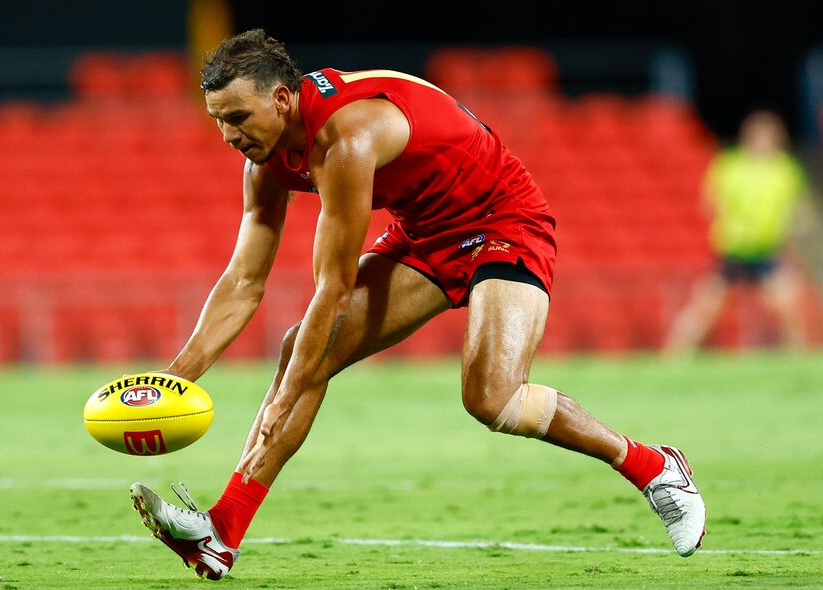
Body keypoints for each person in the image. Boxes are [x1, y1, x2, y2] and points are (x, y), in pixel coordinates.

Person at [128, 29, 706, 580]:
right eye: (218, 122)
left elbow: (330, 289)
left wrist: (284, 399)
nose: (228, 136)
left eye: (237, 118)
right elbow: (243, 281)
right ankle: (222, 534)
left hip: (503, 219)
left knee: (491, 397)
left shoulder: (346, 138)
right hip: (425, 233)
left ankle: (652, 467)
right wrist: (171, 382)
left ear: (281, 99)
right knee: (300, 351)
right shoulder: (265, 160)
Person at [663, 109, 812, 354]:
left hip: (766, 251)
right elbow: (710, 203)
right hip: (734, 252)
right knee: (706, 307)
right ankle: (673, 355)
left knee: (789, 303)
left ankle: (799, 357)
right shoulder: (731, 166)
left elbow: (796, 206)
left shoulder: (786, 170)